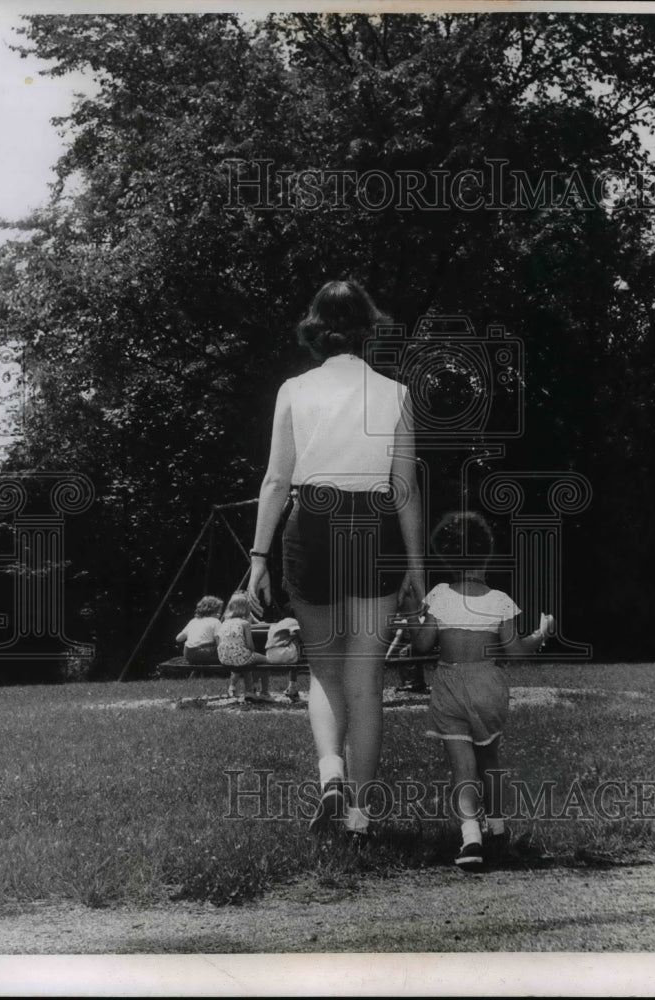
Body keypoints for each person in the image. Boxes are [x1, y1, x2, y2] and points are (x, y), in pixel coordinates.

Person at [248, 279, 425, 839]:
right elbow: (405, 488)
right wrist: (418, 568)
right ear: (367, 327)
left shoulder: (294, 389)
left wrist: (258, 557)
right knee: (366, 679)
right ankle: (360, 816)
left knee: (323, 669)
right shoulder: (395, 393)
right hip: (374, 525)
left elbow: (277, 479)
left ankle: (330, 776)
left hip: (314, 521)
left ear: (316, 327)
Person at [406, 510, 554, 871]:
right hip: (489, 684)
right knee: (489, 759)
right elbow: (516, 651)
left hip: (450, 684)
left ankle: (471, 836)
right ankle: (499, 829)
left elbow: (422, 646)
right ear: (486, 556)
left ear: (447, 559)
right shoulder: (500, 600)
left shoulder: (439, 597)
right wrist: (542, 633)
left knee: (462, 765)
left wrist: (412, 611)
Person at [216, 591, 270, 701]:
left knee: (245, 661)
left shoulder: (224, 623)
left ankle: (249, 691)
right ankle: (264, 692)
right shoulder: (244, 623)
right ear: (245, 608)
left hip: (224, 658)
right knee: (265, 661)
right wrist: (251, 650)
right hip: (240, 657)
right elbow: (250, 645)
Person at [264, 614, 302, 702]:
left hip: (269, 655)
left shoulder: (275, 625)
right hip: (283, 654)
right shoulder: (293, 621)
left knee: (293, 642)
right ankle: (292, 687)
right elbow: (300, 635)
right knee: (296, 639)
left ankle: (292, 688)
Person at [175, 595, 223, 665]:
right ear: (214, 611)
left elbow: (178, 639)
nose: (219, 614)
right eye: (219, 611)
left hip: (188, 655)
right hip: (205, 653)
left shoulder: (193, 621)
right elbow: (219, 643)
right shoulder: (215, 621)